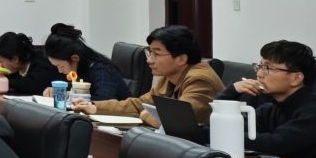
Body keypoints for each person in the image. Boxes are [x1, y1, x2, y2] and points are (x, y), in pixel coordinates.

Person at [223, 39, 316, 158]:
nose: (259, 74)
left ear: (296, 79)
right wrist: (233, 90)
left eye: (268, 68)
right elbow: (227, 127)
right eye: (259, 66)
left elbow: (275, 144)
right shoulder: (273, 108)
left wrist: (227, 136)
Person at [75, 24, 223, 126]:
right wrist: (93, 107)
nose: (149, 60)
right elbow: (139, 104)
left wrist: (145, 114)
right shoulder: (169, 76)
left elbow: (176, 122)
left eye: (156, 54)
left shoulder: (200, 79)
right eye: (149, 52)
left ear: (181, 59)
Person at [43, 24, 129, 101]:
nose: (60, 71)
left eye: (61, 66)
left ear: (75, 58)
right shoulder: (82, 67)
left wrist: (70, 97)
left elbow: (104, 100)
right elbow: (81, 88)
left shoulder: (101, 69)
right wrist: (58, 91)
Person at [0, 31, 51, 95]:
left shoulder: (43, 62)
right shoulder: (17, 66)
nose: (0, 63)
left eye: (2, 60)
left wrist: (0, 81)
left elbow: (30, 84)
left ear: (15, 59)